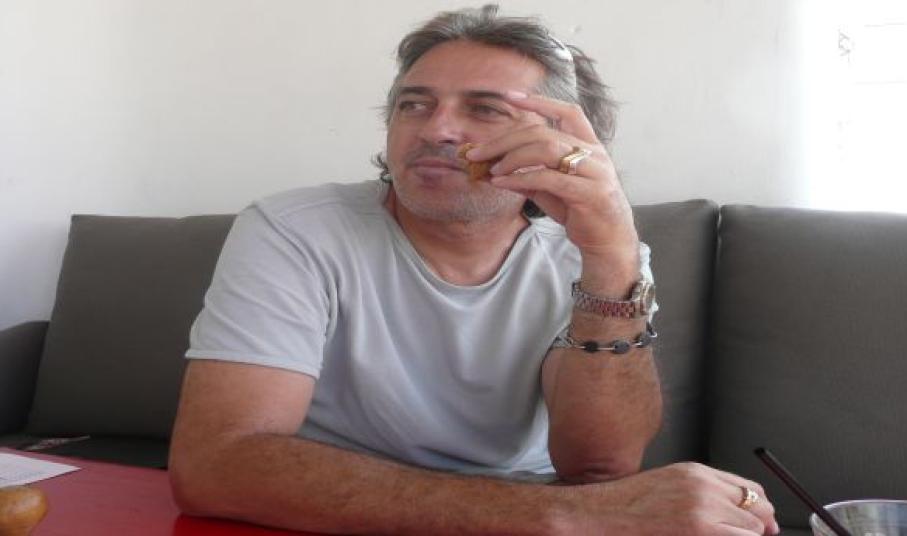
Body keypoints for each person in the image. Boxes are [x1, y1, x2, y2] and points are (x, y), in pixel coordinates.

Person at [169, 5, 780, 535]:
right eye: (414, 104)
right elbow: (217, 465)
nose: (435, 129)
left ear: (565, 143)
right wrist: (568, 517)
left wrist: (611, 258)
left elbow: (600, 465)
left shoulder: (598, 255)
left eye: (485, 109)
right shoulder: (295, 230)